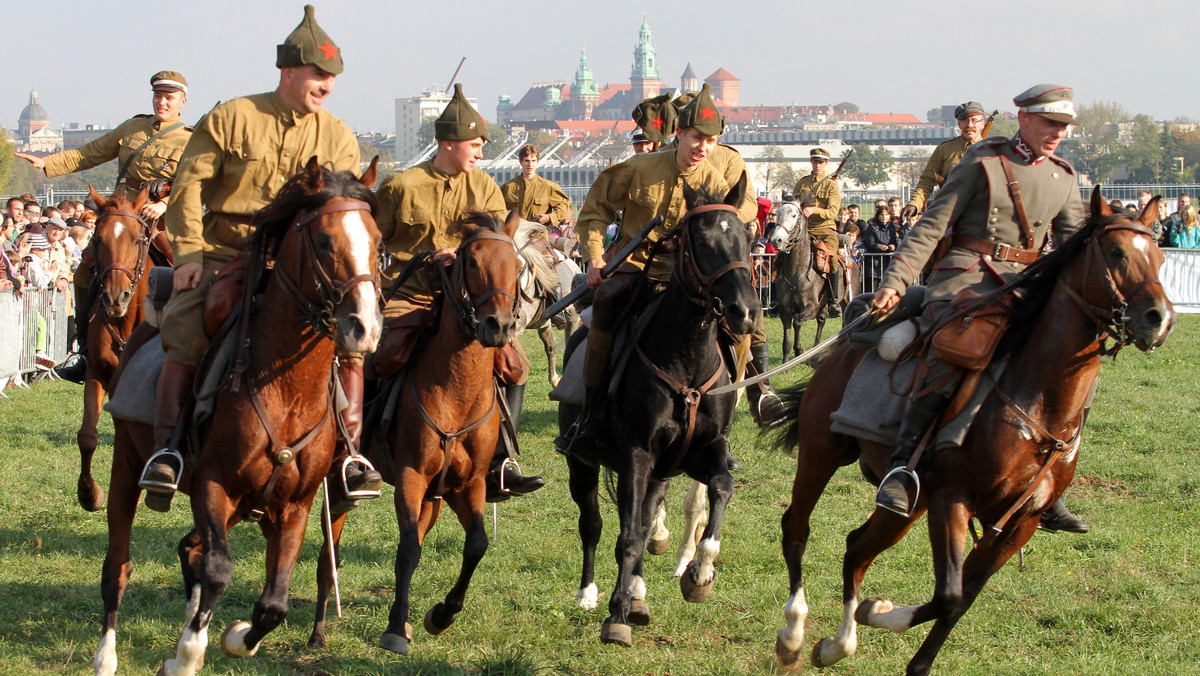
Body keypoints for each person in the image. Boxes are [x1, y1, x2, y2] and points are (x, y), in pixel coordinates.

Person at [139, 5, 380, 513]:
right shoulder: (232, 117)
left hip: (304, 261)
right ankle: (167, 452)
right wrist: (186, 254)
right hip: (228, 250)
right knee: (188, 320)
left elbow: (342, 210)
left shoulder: (337, 135)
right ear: (288, 71)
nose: (327, 86)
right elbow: (188, 187)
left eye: (333, 78)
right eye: (320, 75)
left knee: (350, 340)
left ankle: (349, 456)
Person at [872, 84, 1089, 534]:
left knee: (1071, 366)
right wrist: (895, 280)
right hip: (965, 278)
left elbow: (1074, 249)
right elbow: (932, 227)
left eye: (1064, 126)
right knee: (957, 345)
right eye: (1050, 123)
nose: (1057, 134)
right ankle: (903, 467)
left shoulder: (1065, 177)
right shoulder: (983, 161)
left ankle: (1049, 485)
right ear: (1023, 119)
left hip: (1025, 287)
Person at [374, 83, 545, 502]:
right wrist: (426, 257)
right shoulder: (401, 187)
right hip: (409, 294)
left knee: (514, 362)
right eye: (474, 145)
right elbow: (372, 239)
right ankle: (356, 451)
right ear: (448, 143)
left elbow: (495, 242)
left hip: (468, 302)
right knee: (378, 356)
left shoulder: (485, 186)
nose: (480, 154)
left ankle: (501, 461)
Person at [569, 86, 762, 450]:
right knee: (607, 303)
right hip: (636, 266)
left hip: (688, 276)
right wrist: (595, 256)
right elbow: (595, 210)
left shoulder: (714, 181)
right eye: (696, 138)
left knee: (735, 324)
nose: (703, 148)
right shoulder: (637, 168)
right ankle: (591, 416)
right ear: (678, 135)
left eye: (711, 141)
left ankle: (723, 428)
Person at [23, 71, 193, 384]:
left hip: (159, 219)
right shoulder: (132, 127)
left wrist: (166, 204)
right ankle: (85, 348)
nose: (162, 102)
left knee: (182, 267)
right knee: (86, 268)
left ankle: (189, 346)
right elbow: (91, 153)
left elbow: (197, 182)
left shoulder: (190, 139)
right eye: (158, 96)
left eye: (170, 97)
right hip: (122, 216)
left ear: (182, 101)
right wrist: (47, 164)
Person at [902, 101, 987, 221]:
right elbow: (927, 180)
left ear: (982, 123)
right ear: (959, 125)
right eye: (965, 121)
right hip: (950, 213)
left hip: (983, 213)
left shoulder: (993, 150)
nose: (969, 125)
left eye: (974, 120)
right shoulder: (945, 149)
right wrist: (915, 204)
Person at [792, 148, 844, 317]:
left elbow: (833, 212)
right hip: (804, 230)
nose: (817, 165)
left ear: (826, 164)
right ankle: (780, 300)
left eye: (821, 162)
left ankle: (834, 300)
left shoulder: (831, 185)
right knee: (783, 256)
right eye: (815, 161)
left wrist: (814, 210)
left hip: (824, 230)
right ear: (811, 162)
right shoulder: (802, 183)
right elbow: (794, 203)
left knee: (832, 258)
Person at [500, 144, 571, 226]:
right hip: (514, 235)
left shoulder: (548, 187)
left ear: (537, 162)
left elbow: (564, 205)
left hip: (538, 235)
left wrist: (549, 217)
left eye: (533, 161)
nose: (530, 164)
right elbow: (495, 207)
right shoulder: (508, 187)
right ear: (521, 162)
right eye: (527, 161)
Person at [860, 202, 898, 292]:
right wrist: (878, 246)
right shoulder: (872, 227)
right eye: (882, 215)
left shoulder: (892, 227)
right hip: (873, 265)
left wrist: (893, 246)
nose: (884, 217)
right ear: (878, 215)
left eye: (886, 215)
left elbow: (895, 242)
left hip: (887, 263)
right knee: (872, 291)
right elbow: (869, 243)